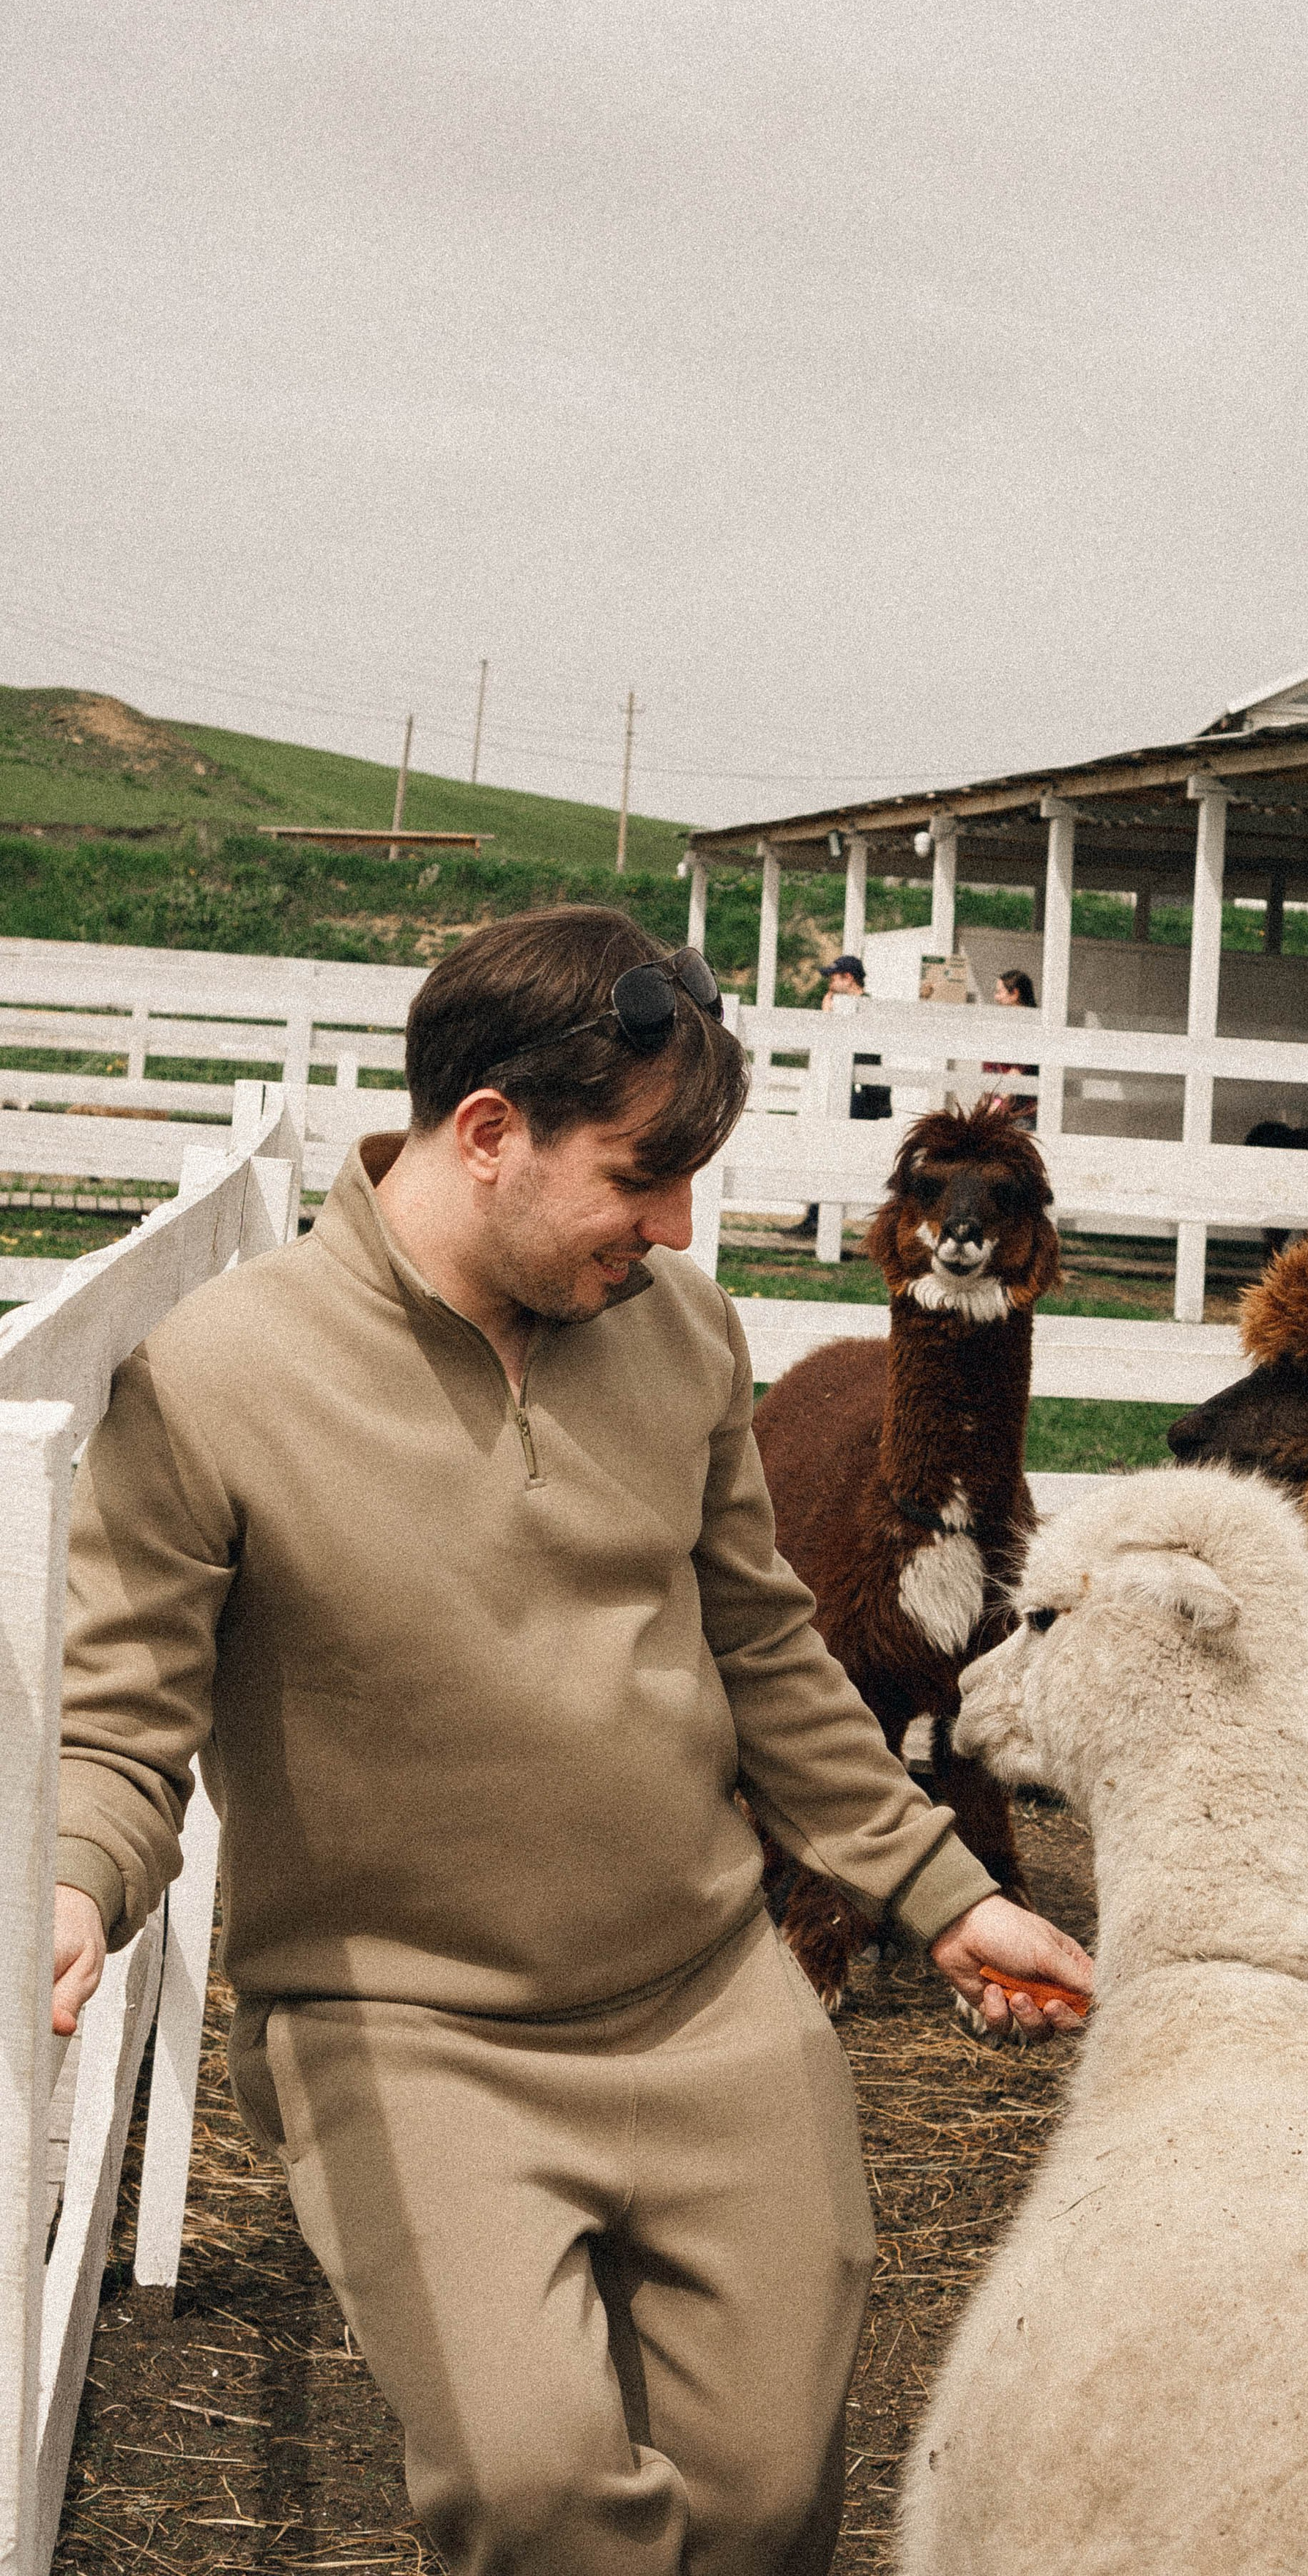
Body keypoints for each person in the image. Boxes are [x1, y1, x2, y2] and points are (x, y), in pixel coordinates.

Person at [51, 907, 1091, 2576]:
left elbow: (766, 1650)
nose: (675, 1227)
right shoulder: (218, 1383)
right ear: (488, 1132)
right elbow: (120, 1719)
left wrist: (944, 1892)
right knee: (540, 2496)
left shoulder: (683, 1338)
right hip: (403, 2031)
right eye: (640, 1176)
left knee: (765, 2505)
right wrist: (71, 1881)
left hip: (706, 1994)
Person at [780, 953, 888, 1241]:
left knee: (837, 1154)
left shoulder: (863, 1008)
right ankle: (816, 1218)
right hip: (855, 1092)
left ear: (848, 978)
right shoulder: (855, 1007)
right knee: (828, 1152)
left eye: (834, 977)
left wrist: (829, 1019)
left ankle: (820, 1221)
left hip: (859, 1094)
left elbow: (855, 1049)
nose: (829, 982)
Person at [983, 966, 1041, 1123]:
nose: (996, 997)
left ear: (1014, 993)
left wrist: (994, 1107)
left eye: (999, 992)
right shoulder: (1008, 1026)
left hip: (1017, 1115)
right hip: (1000, 1111)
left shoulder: (1028, 1029)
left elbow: (1016, 1074)